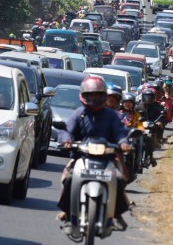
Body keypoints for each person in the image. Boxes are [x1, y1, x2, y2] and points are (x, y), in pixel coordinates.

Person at [56, 76, 131, 231]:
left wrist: (123, 142)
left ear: (104, 95)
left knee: (118, 178)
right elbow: (66, 131)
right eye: (91, 95)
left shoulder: (112, 116)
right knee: (68, 177)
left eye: (98, 95)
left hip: (108, 159)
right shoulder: (78, 114)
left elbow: (120, 132)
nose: (94, 99)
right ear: (83, 96)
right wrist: (67, 140)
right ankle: (68, 212)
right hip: (81, 158)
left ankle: (116, 214)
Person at [136, 88, 165, 166]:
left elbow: (161, 115)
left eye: (150, 97)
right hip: (139, 126)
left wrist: (159, 122)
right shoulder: (138, 105)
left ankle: (150, 156)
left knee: (149, 138)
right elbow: (134, 113)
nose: (148, 99)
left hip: (151, 127)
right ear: (142, 96)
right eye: (146, 96)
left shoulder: (157, 106)